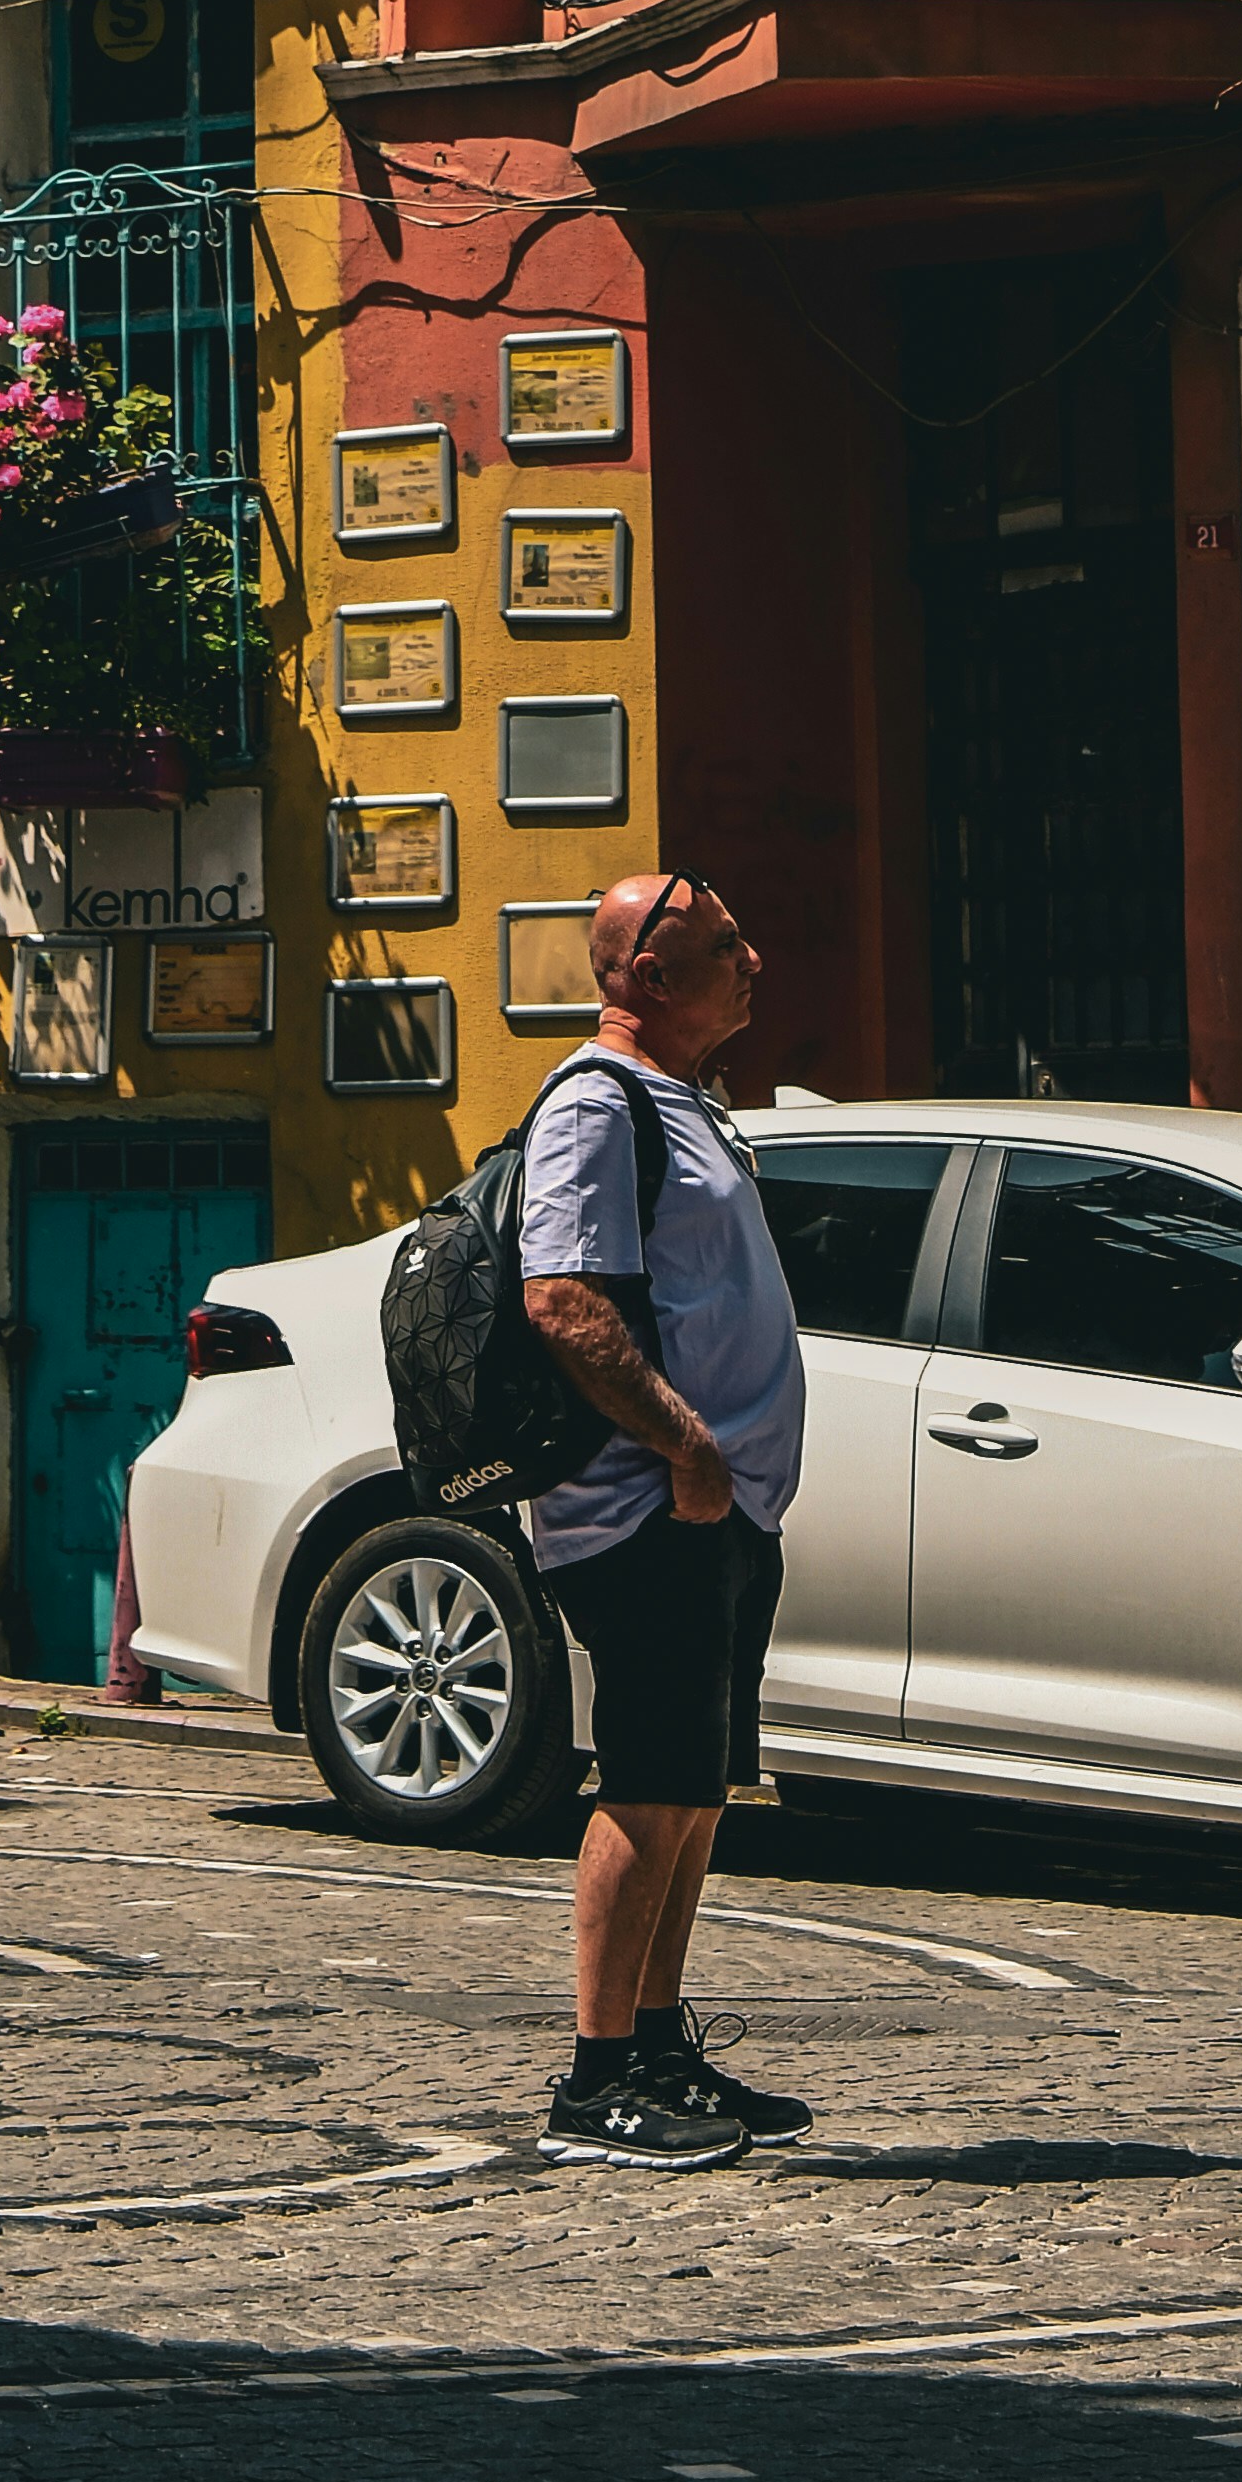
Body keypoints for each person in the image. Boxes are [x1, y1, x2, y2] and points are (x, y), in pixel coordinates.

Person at [513, 867, 814, 2171]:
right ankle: (595, 2080)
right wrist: (685, 1451)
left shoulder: (687, 1103)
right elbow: (563, 1301)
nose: (755, 959)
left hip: (717, 1511)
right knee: (645, 1785)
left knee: (695, 1791)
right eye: (723, 944)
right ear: (644, 975)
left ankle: (657, 2041)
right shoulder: (596, 1104)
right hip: (646, 1507)